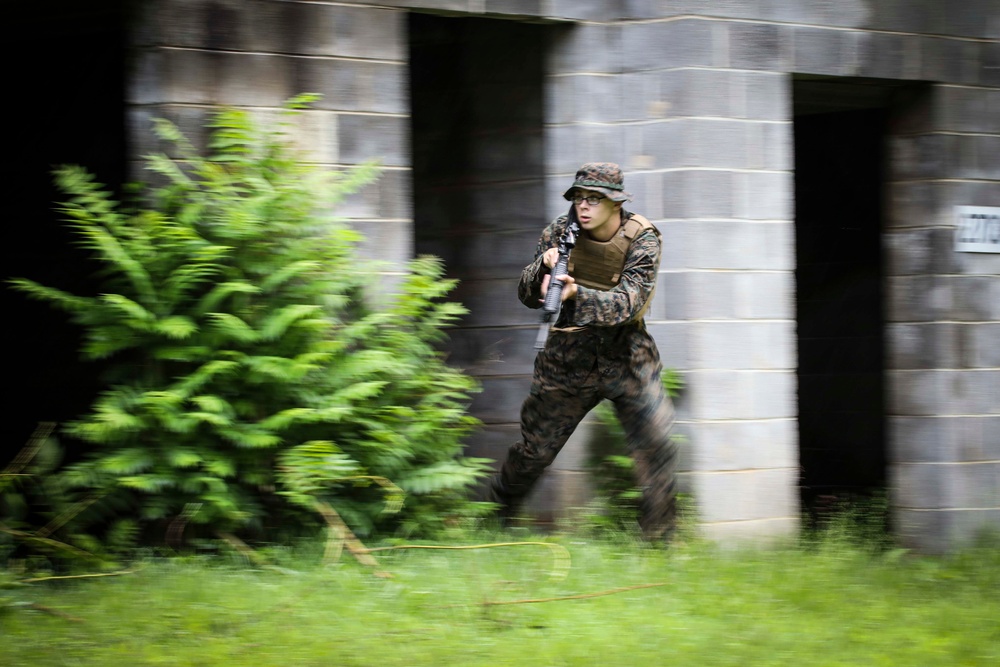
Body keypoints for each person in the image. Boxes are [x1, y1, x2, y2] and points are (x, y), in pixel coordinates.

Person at [488, 162, 678, 540]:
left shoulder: (643, 238)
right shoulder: (559, 232)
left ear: (615, 203)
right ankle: (495, 524)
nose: (584, 207)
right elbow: (527, 295)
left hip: (627, 356)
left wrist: (577, 295)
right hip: (566, 359)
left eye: (594, 199)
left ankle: (659, 545)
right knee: (535, 452)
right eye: (578, 198)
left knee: (656, 443)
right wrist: (540, 272)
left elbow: (629, 302)